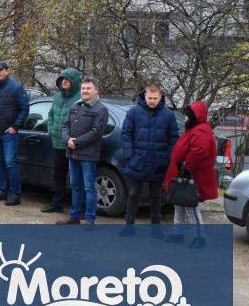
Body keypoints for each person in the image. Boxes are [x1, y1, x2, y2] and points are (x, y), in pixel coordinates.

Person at [119, 83, 179, 236]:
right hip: (137, 161)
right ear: (144, 96)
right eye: (149, 98)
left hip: (158, 163)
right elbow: (126, 134)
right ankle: (129, 225)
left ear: (160, 97)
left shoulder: (168, 115)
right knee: (133, 194)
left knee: (156, 196)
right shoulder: (134, 112)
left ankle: (156, 227)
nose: (152, 101)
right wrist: (130, 156)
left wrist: (166, 158)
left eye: (155, 98)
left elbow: (173, 139)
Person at [162, 100, 218, 247]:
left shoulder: (201, 131)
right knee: (179, 204)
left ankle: (200, 238)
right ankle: (177, 233)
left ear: (195, 116)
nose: (185, 118)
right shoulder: (196, 128)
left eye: (187, 116)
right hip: (183, 173)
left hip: (191, 175)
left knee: (190, 206)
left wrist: (187, 167)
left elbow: (199, 151)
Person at [57, 78, 109, 227]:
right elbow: (65, 125)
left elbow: (96, 132)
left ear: (96, 90)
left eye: (88, 88)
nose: (85, 91)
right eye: (83, 88)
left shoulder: (101, 110)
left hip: (88, 155)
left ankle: (90, 219)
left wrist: (76, 142)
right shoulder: (76, 105)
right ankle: (74, 215)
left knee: (89, 187)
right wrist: (67, 139)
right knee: (75, 185)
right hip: (72, 153)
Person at [0, 61, 29, 206]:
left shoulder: (16, 87)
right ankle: (2, 191)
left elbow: (24, 108)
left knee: (10, 163)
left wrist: (15, 126)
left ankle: (15, 194)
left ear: (7, 71)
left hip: (9, 133)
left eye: (0, 70)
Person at [42, 68, 82, 213]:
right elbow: (51, 115)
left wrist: (72, 137)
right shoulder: (58, 96)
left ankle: (78, 208)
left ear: (74, 81)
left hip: (73, 145)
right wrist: (51, 129)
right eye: (62, 79)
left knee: (76, 178)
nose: (64, 81)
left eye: (67, 79)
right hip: (58, 143)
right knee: (58, 175)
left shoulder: (80, 97)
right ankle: (57, 204)